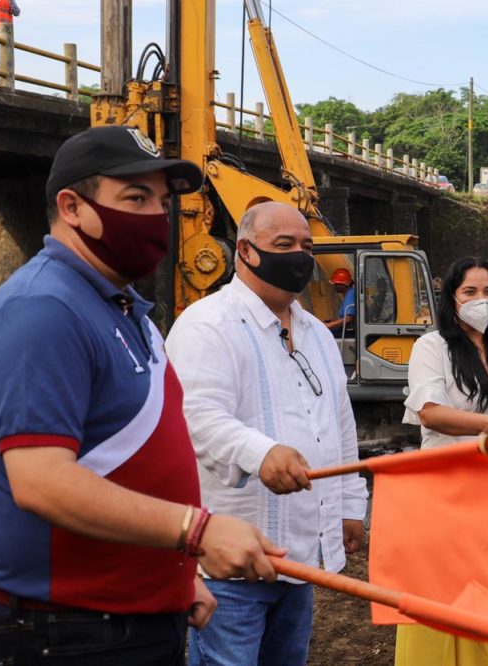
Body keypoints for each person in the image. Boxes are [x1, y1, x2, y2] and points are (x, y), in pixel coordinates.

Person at [0, 126, 284, 665]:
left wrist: (174, 574)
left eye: (161, 201)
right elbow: (42, 481)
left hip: (131, 615)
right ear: (72, 207)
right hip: (68, 630)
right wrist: (197, 531)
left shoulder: (121, 306)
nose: (156, 216)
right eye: (135, 198)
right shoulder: (44, 310)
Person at [166, 201, 368, 666]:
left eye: (306, 246)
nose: (299, 255)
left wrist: (349, 504)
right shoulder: (207, 325)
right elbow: (196, 417)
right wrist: (261, 453)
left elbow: (339, 425)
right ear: (246, 251)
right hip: (232, 567)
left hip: (298, 558)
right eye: (284, 244)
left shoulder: (317, 334)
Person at [398, 256, 488, 666]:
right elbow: (430, 413)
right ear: (452, 298)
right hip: (444, 489)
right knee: (437, 593)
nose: (482, 300)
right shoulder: (432, 347)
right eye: (470, 292)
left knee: (484, 591)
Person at [323, 266, 355, 336]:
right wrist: (332, 321)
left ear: (345, 284)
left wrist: (329, 325)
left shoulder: (350, 295)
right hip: (346, 330)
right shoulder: (350, 293)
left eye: (337, 284)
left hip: (349, 332)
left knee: (322, 335)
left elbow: (348, 319)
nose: (335, 286)